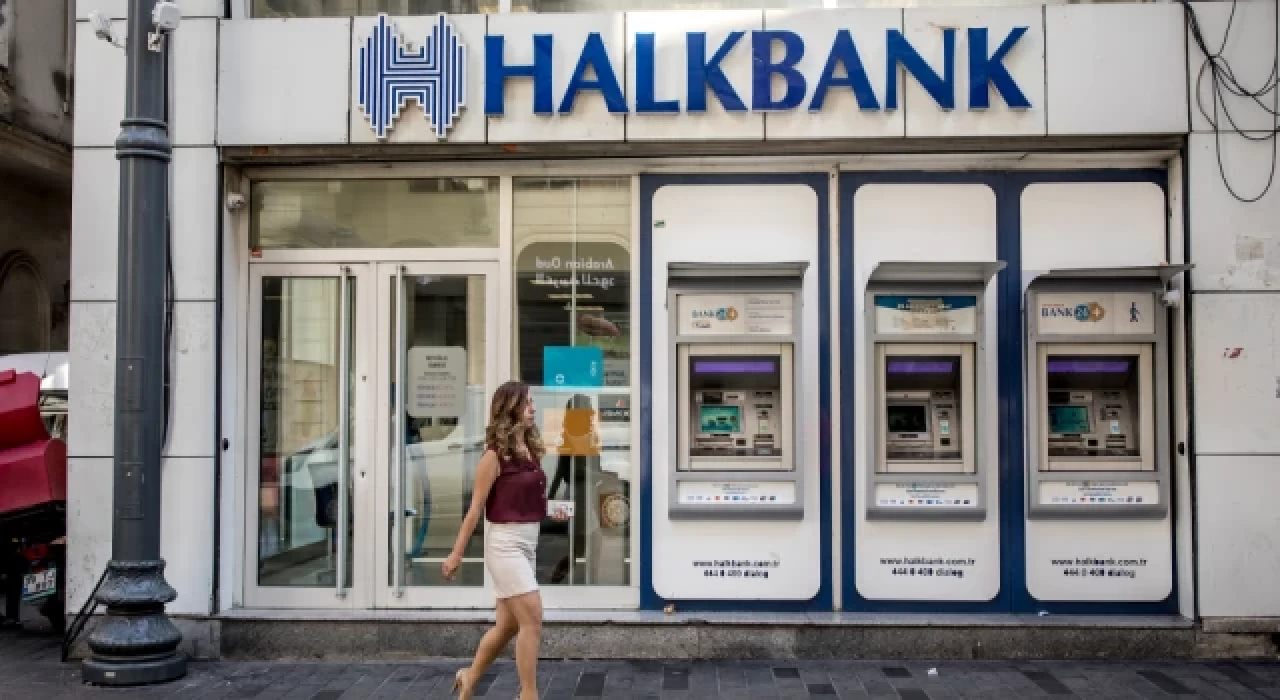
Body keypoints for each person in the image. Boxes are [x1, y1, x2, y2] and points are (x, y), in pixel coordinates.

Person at [444, 380, 565, 700]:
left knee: (508, 626)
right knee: (533, 619)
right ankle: (529, 695)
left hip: (528, 544)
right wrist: (456, 554)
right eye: (527, 403)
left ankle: (469, 676)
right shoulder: (493, 456)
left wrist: (551, 511)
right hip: (504, 545)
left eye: (532, 402)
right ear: (510, 409)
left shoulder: (530, 450)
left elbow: (525, 499)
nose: (533, 408)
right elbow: (475, 510)